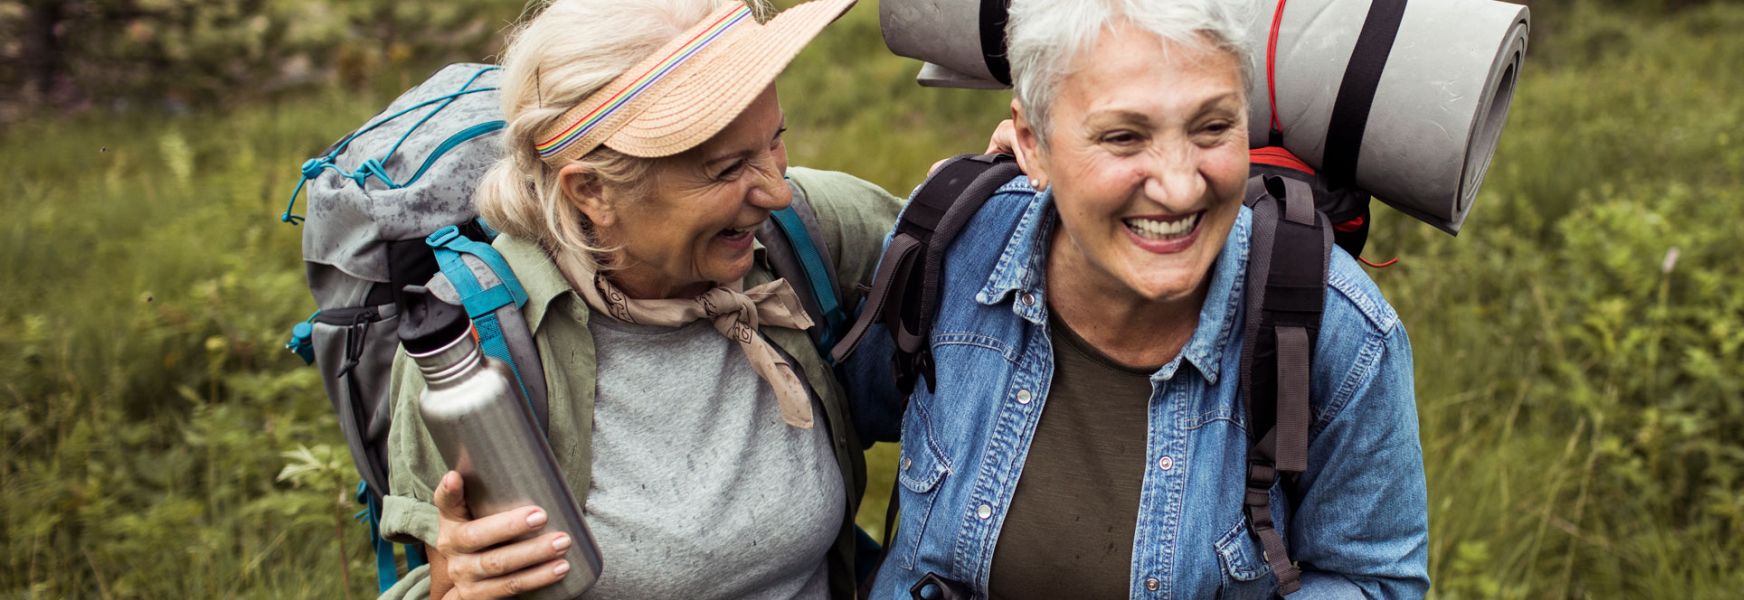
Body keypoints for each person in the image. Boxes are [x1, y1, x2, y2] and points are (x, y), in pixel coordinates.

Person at [860, 0, 1429, 597]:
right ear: (1032, 142)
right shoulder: (952, 246)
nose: (1180, 186)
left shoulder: (1339, 329)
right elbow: (826, 436)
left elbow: (1371, 578)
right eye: (1125, 137)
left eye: (1212, 127)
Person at [376, 0, 905, 598]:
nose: (776, 190)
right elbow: (447, 576)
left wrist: (1019, 172)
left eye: (775, 140)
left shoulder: (806, 233)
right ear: (592, 191)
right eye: (727, 168)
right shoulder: (474, 350)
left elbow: (988, 261)